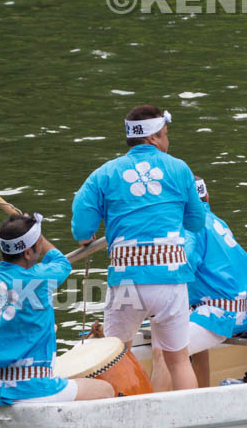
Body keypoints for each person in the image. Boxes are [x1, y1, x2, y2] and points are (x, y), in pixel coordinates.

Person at [71, 105, 206, 392]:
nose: (167, 141)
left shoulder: (104, 174)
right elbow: (196, 221)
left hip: (126, 279)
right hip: (170, 278)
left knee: (115, 358)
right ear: (154, 137)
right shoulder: (179, 169)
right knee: (179, 362)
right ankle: (190, 422)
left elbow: (82, 223)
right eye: (166, 134)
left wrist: (86, 237)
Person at [0, 211, 116, 405]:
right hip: (31, 388)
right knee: (105, 389)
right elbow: (61, 262)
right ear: (28, 252)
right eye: (38, 245)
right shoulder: (40, 279)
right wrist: (40, 236)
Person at [156, 177, 247, 390]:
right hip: (240, 312)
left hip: (220, 314)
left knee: (167, 352)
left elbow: (185, 263)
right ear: (206, 197)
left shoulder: (190, 225)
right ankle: (202, 394)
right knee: (195, 349)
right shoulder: (216, 220)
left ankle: (153, 413)